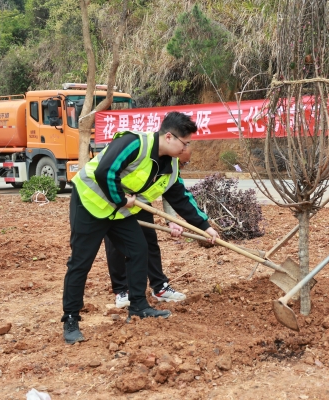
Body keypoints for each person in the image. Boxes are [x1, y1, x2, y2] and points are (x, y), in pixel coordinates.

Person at [62, 112, 219, 344]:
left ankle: (138, 306)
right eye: (185, 143)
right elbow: (105, 171)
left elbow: (180, 198)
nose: (186, 149)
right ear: (169, 137)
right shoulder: (135, 143)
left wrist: (204, 226)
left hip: (119, 211)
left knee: (139, 250)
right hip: (90, 204)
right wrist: (120, 200)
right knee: (81, 262)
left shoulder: (172, 166)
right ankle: (71, 319)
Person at [107, 147, 194, 308]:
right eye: (184, 162)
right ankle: (121, 290)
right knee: (116, 246)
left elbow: (170, 190)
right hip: (116, 199)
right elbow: (110, 172)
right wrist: (119, 196)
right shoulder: (144, 153)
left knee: (149, 243)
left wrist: (172, 220)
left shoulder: (172, 165)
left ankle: (159, 286)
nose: (183, 165)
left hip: (141, 203)